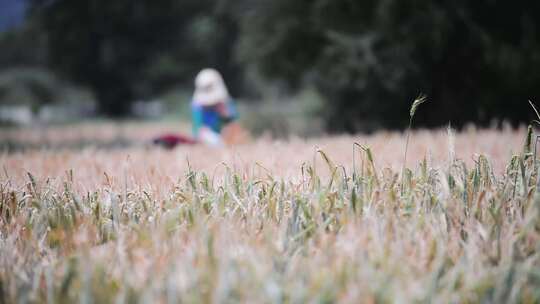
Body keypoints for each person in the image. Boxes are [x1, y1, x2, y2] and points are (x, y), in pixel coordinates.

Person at [191, 68, 240, 146]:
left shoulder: (226, 103)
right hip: (207, 140)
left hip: (226, 139)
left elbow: (235, 122)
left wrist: (225, 114)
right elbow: (197, 129)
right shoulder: (197, 106)